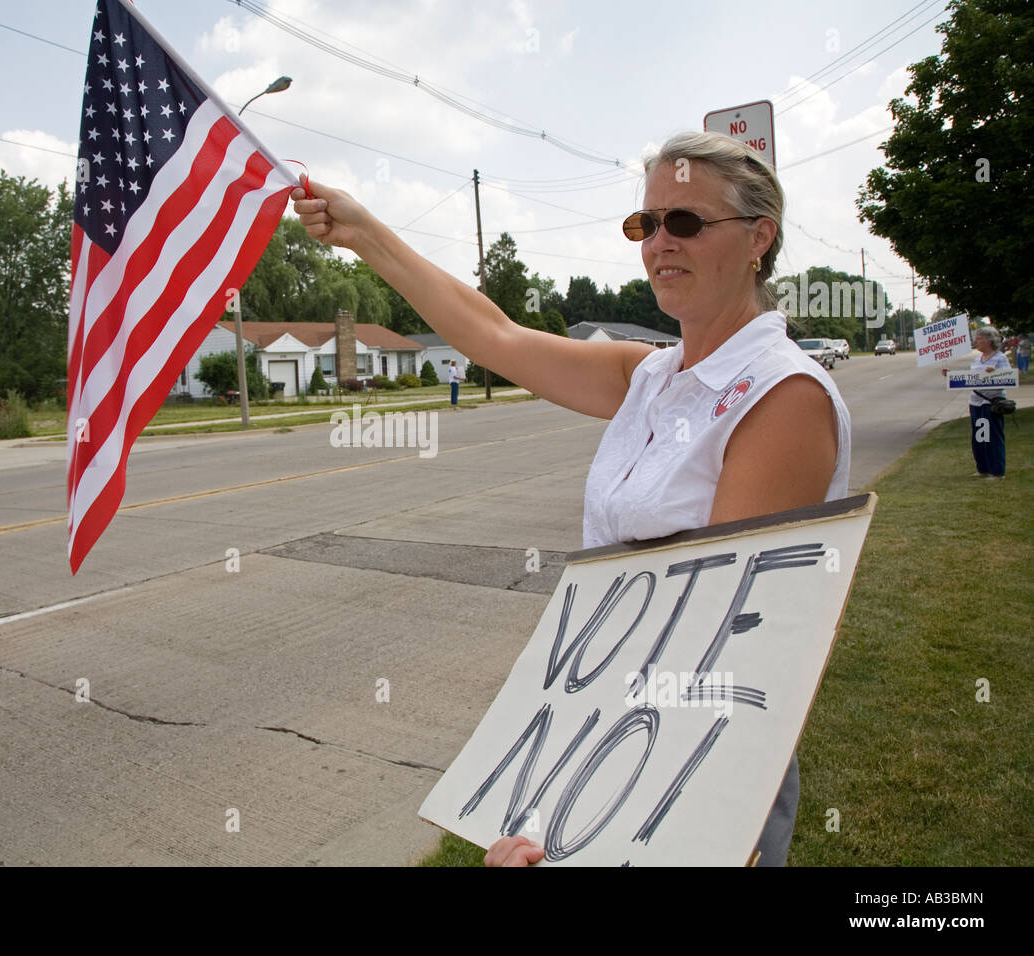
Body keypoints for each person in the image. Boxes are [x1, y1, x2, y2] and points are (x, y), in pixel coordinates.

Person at [292, 130, 850, 867]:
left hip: (697, 769)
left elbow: (723, 649)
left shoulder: (782, 395)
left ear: (759, 239)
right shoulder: (649, 376)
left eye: (685, 221)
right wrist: (366, 234)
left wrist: (599, 813)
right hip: (610, 740)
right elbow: (495, 336)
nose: (659, 243)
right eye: (645, 224)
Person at [940, 325, 1010, 479]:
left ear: (989, 340)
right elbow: (971, 378)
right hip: (976, 402)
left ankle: (997, 471)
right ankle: (983, 468)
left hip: (990, 402)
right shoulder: (978, 358)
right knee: (979, 437)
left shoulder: (1000, 358)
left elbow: (1008, 377)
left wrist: (995, 372)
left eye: (979, 339)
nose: (976, 341)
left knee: (992, 436)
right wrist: (951, 375)